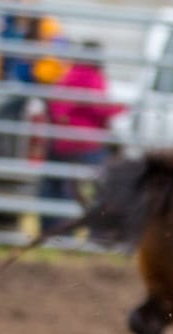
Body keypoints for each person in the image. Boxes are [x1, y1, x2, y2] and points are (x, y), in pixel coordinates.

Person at [42, 41, 121, 230]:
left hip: (62, 143)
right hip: (86, 144)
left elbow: (57, 106)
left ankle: (54, 229)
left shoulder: (69, 74)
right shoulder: (93, 77)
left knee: (61, 188)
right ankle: (98, 230)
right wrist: (121, 108)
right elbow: (99, 106)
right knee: (105, 183)